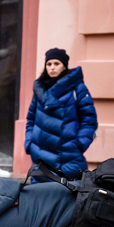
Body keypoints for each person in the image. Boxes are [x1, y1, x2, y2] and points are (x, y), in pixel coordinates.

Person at [24, 48, 98, 180]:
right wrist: (29, 143)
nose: (52, 67)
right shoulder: (40, 88)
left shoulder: (77, 88)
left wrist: (79, 143)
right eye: (49, 64)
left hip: (68, 158)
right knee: (41, 198)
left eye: (56, 64)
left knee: (67, 197)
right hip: (40, 158)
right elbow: (30, 119)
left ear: (64, 65)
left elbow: (89, 120)